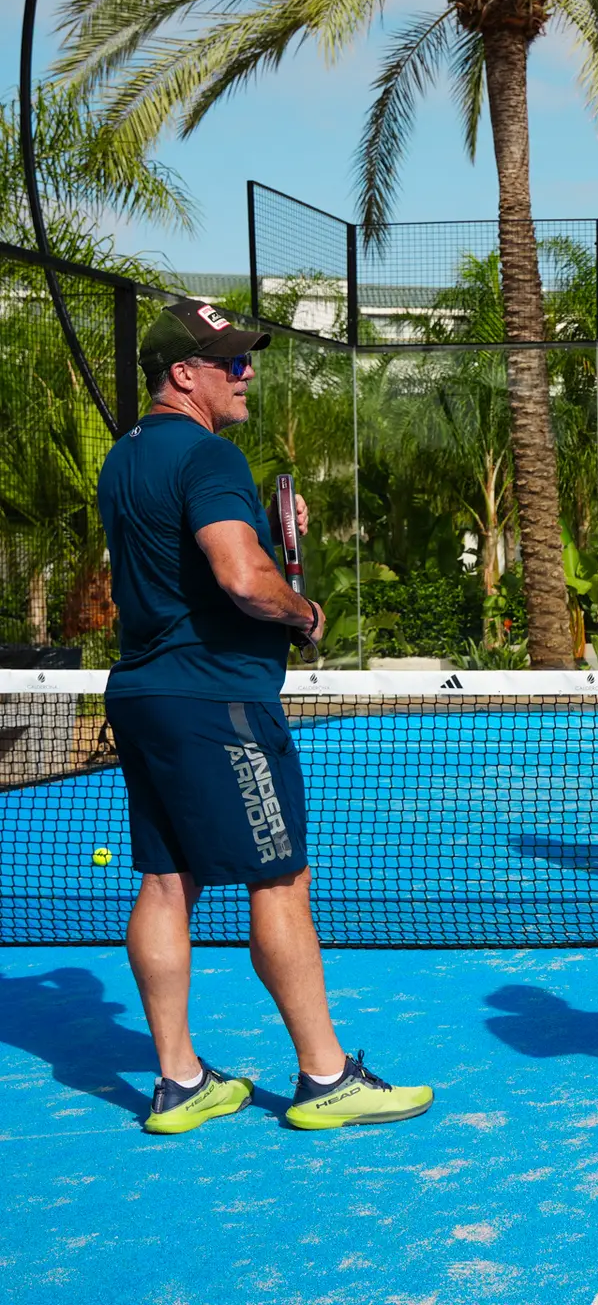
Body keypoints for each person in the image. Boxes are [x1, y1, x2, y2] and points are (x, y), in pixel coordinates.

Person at [97, 300, 432, 1132]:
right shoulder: (210, 456)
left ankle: (179, 1081)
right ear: (184, 375)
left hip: (143, 692)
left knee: (166, 882)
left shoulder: (124, 457)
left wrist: (258, 533)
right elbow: (242, 580)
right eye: (232, 363)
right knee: (279, 880)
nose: (247, 375)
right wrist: (305, 612)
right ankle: (326, 1078)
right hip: (217, 698)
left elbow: (181, 560)